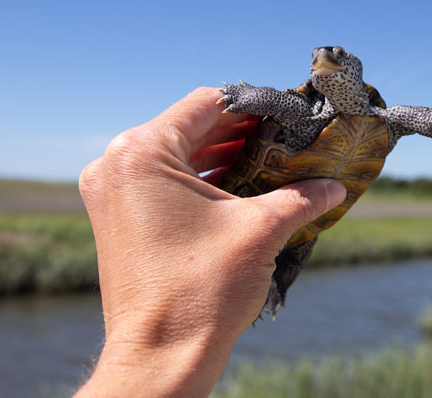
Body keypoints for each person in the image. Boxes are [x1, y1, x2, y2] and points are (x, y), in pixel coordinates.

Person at [74, 87, 347, 397]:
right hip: (261, 187)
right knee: (299, 242)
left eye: (337, 56)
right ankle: (277, 289)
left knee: (301, 240)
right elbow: (281, 101)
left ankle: (277, 289)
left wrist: (146, 350)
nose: (324, 60)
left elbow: (395, 118)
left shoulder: (374, 115)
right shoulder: (304, 109)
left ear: (352, 71)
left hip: (309, 187)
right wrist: (240, 97)